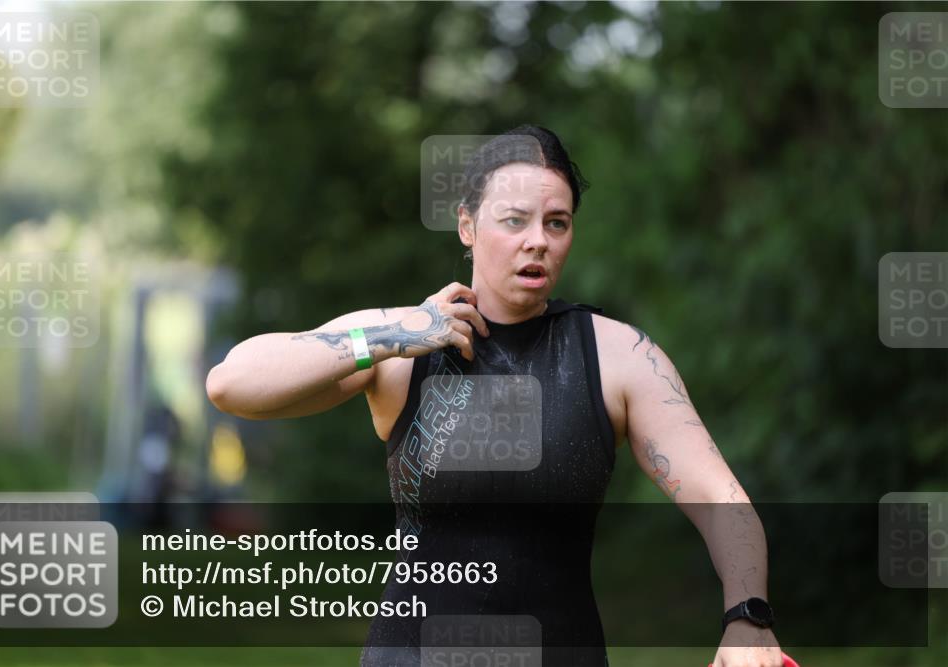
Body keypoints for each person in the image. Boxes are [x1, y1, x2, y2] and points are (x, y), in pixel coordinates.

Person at [205, 125, 785, 667]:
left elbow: (720, 497)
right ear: (467, 226)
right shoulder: (402, 344)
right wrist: (396, 335)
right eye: (514, 221)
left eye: (557, 223)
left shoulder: (619, 357)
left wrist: (748, 618)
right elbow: (232, 384)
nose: (537, 241)